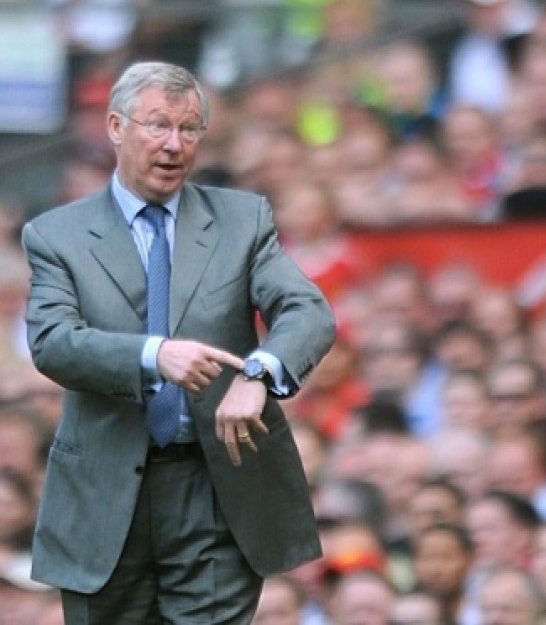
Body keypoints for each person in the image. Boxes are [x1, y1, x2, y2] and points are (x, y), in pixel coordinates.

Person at [21, 61, 336, 622]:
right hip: (105, 492)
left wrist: (258, 375)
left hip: (216, 486)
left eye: (190, 129)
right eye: (158, 125)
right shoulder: (56, 236)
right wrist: (153, 355)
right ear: (116, 127)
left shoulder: (242, 219)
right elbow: (53, 342)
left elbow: (306, 310)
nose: (174, 144)